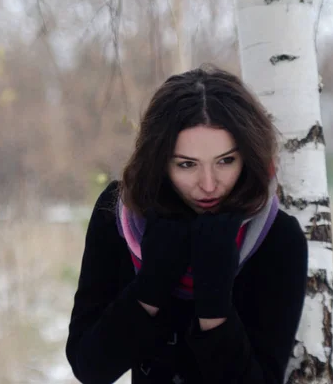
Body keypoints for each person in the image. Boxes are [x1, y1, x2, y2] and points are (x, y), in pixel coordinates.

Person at [66, 64, 308, 384]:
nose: (208, 184)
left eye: (225, 161)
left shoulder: (278, 238)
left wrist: (215, 305)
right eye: (187, 165)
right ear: (159, 162)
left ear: (248, 157)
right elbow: (90, 367)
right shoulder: (119, 214)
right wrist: (150, 287)